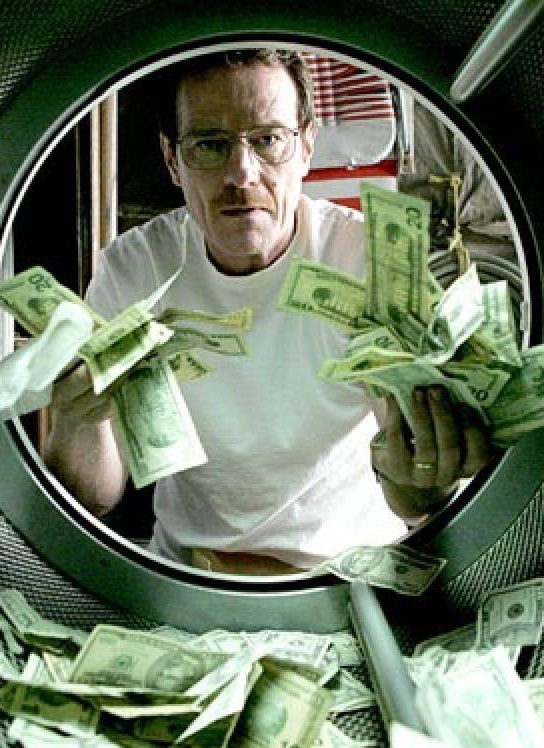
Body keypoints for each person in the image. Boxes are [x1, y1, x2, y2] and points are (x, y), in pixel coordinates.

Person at [44, 49, 492, 574]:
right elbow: (94, 498)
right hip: (187, 574)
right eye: (209, 145)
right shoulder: (136, 267)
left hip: (349, 575)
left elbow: (414, 504)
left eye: (268, 140)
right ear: (172, 160)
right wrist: (74, 420)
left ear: (306, 147)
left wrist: (427, 475)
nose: (241, 174)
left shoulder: (370, 260)